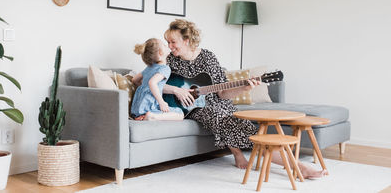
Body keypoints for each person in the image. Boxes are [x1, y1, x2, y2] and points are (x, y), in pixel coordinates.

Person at [163, 19, 326, 179]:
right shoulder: (170, 60)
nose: (169, 46)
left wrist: (244, 88)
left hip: (220, 104)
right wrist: (177, 90)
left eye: (173, 42)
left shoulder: (208, 57)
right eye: (168, 42)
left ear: (186, 40)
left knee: (247, 129)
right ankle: (243, 155)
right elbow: (152, 84)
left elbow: (223, 94)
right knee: (217, 116)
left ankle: (297, 166)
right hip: (194, 108)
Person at [131, 38, 184, 121]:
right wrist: (161, 102)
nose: (167, 45)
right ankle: (153, 116)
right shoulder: (165, 69)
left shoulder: (148, 68)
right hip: (149, 105)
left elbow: (134, 80)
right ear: (160, 53)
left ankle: (142, 117)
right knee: (180, 114)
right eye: (164, 45)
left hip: (137, 107)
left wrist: (144, 88)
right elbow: (152, 83)